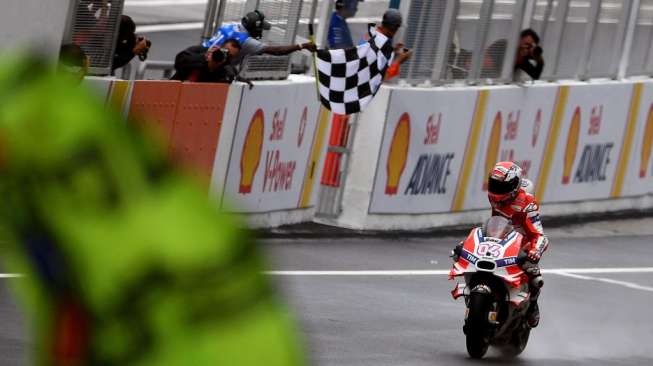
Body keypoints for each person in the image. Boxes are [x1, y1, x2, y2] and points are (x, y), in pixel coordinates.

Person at [486, 161, 548, 328]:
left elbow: (539, 234)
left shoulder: (527, 203)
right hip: (500, 241)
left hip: (522, 246)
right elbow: (493, 222)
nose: (495, 190)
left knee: (534, 275)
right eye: (494, 184)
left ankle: (533, 306)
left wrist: (535, 251)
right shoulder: (494, 198)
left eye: (501, 186)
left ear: (514, 186)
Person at [203, 10, 317, 71]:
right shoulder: (245, 41)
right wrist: (301, 46)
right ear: (254, 27)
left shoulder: (230, 26)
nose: (261, 31)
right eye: (260, 28)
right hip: (210, 67)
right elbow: (277, 51)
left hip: (201, 54)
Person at [171, 39, 252, 87]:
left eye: (229, 55)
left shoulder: (226, 69)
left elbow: (233, 78)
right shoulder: (200, 51)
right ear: (219, 47)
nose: (225, 56)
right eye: (225, 51)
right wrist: (204, 57)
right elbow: (179, 61)